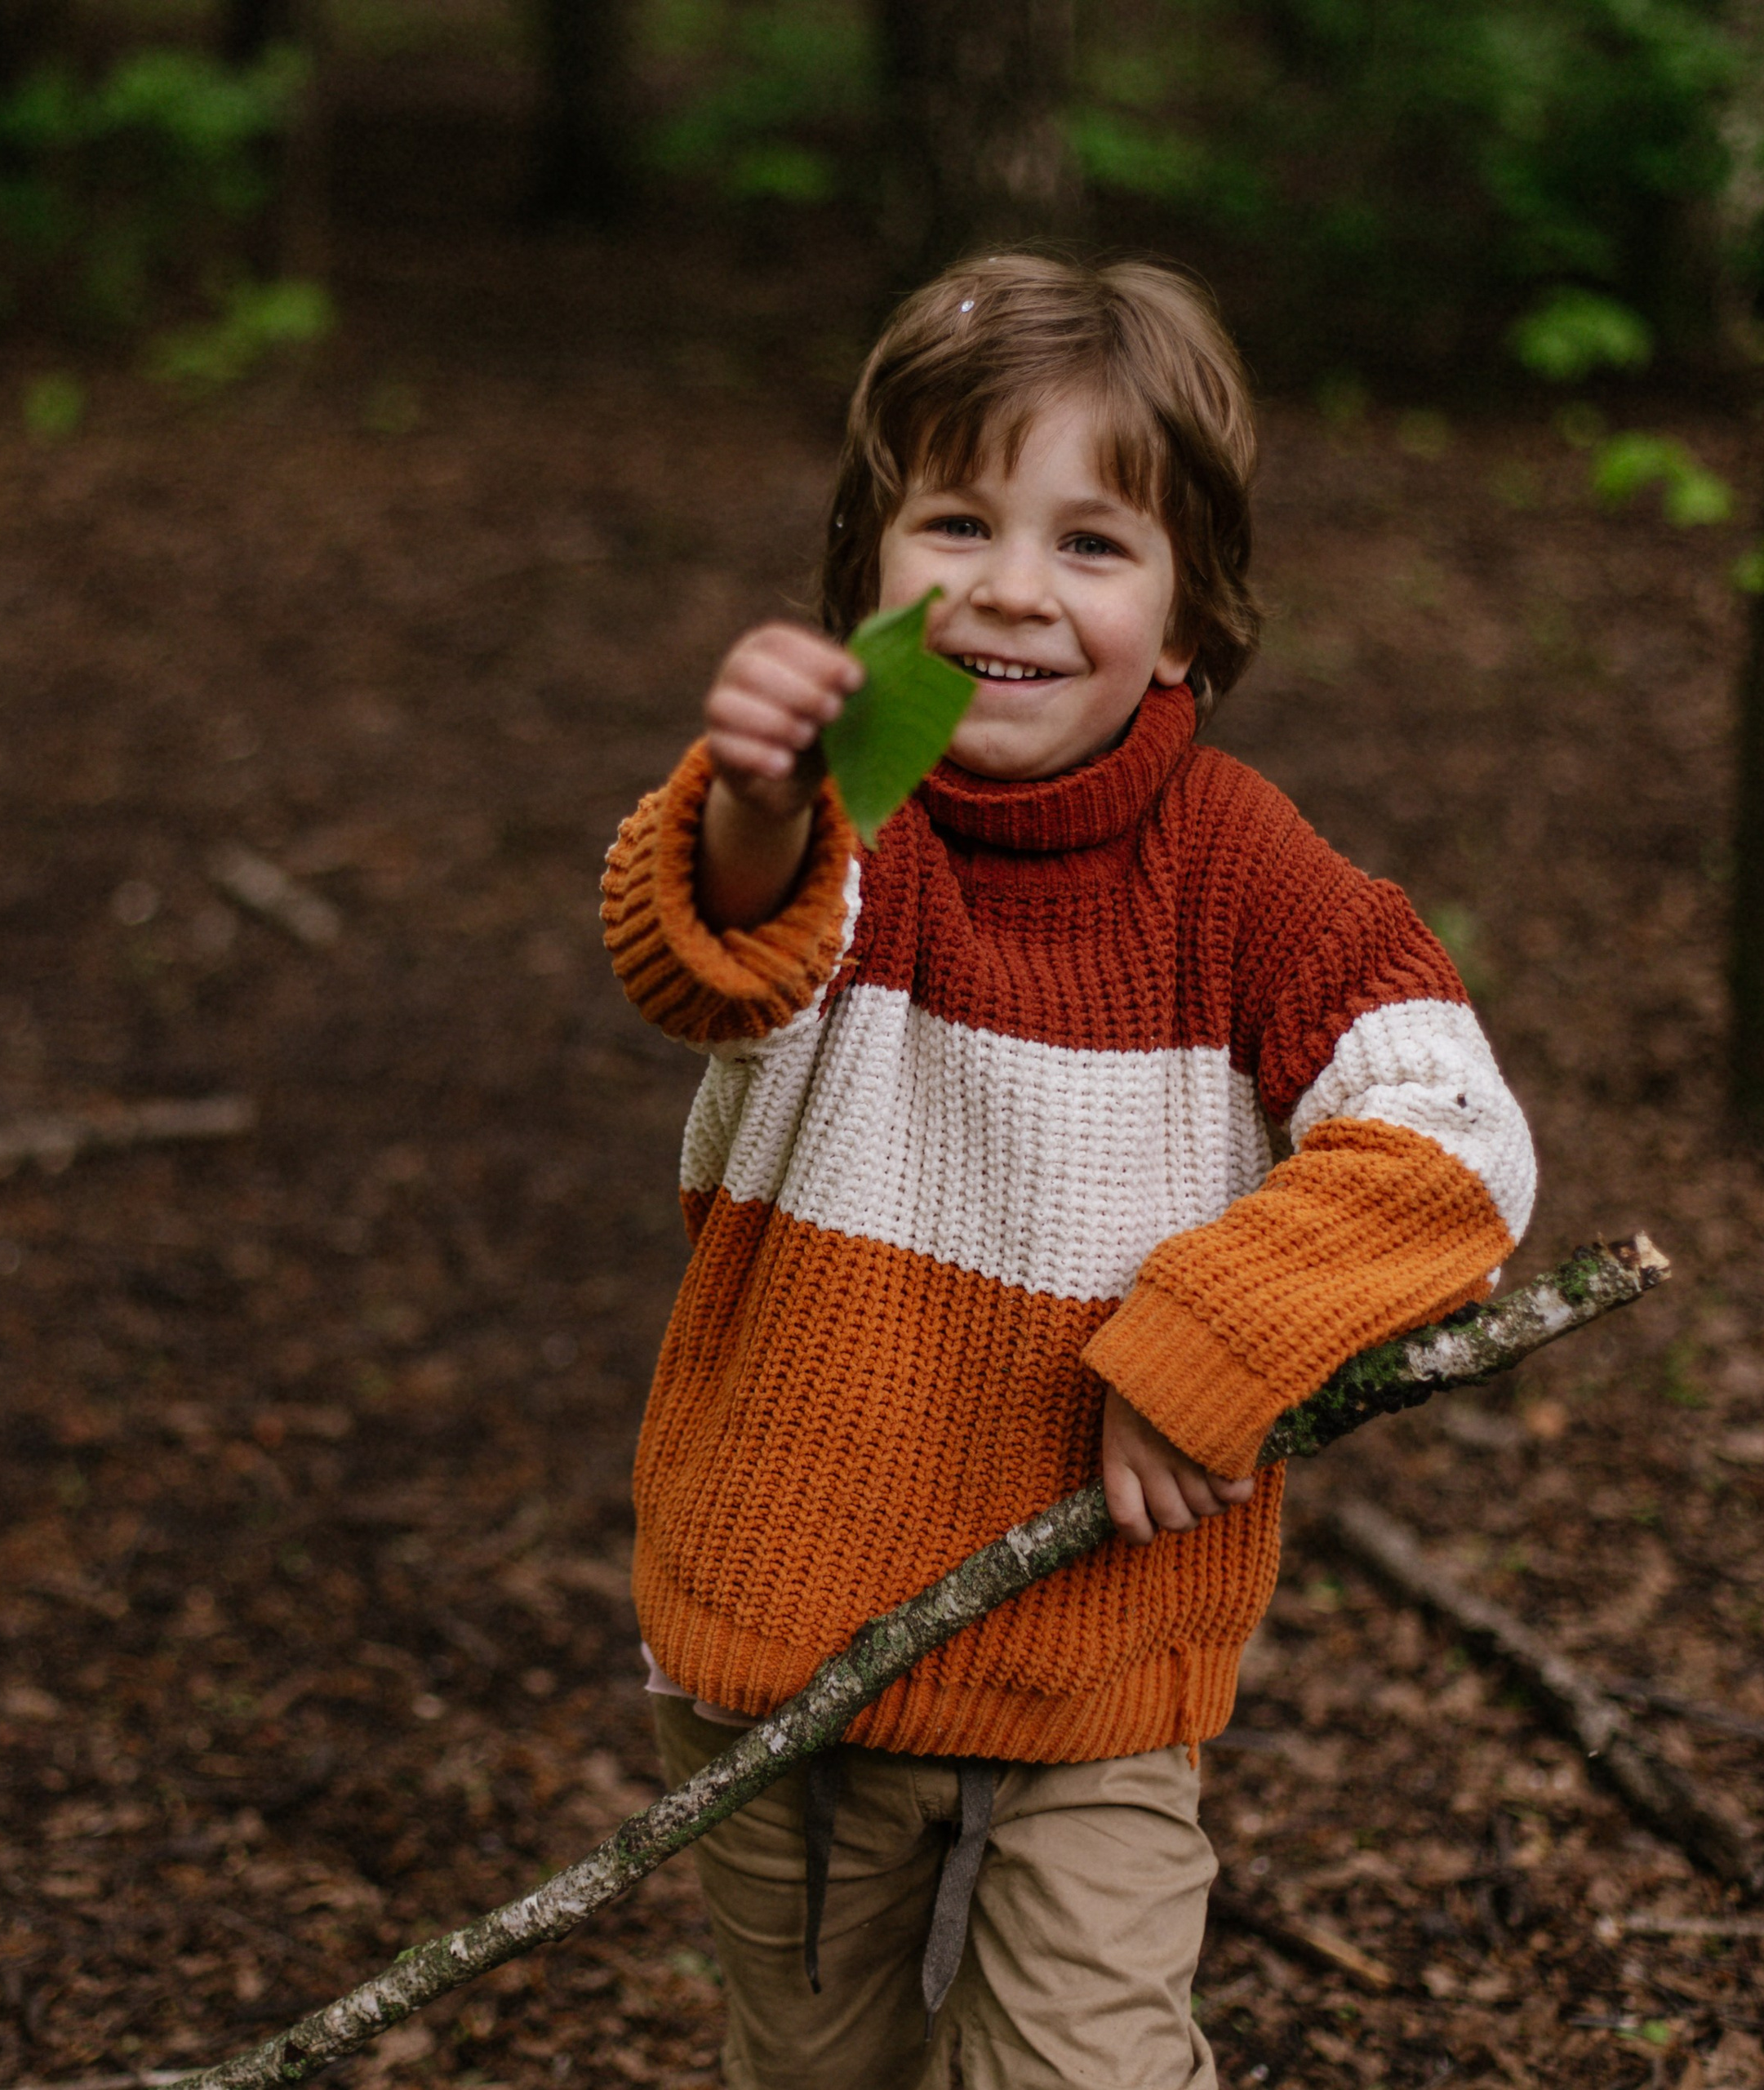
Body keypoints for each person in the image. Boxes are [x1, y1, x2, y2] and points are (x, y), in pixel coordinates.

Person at [598, 252, 1535, 2090]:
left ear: (1187, 617)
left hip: (1100, 1664)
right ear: (870, 571)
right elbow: (710, 951)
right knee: (813, 2070)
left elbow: (1454, 1131)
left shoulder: (1248, 877)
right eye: (955, 520)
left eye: (1094, 543)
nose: (1012, 588)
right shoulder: (844, 830)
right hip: (783, 1647)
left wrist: (1218, 1334)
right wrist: (759, 793)